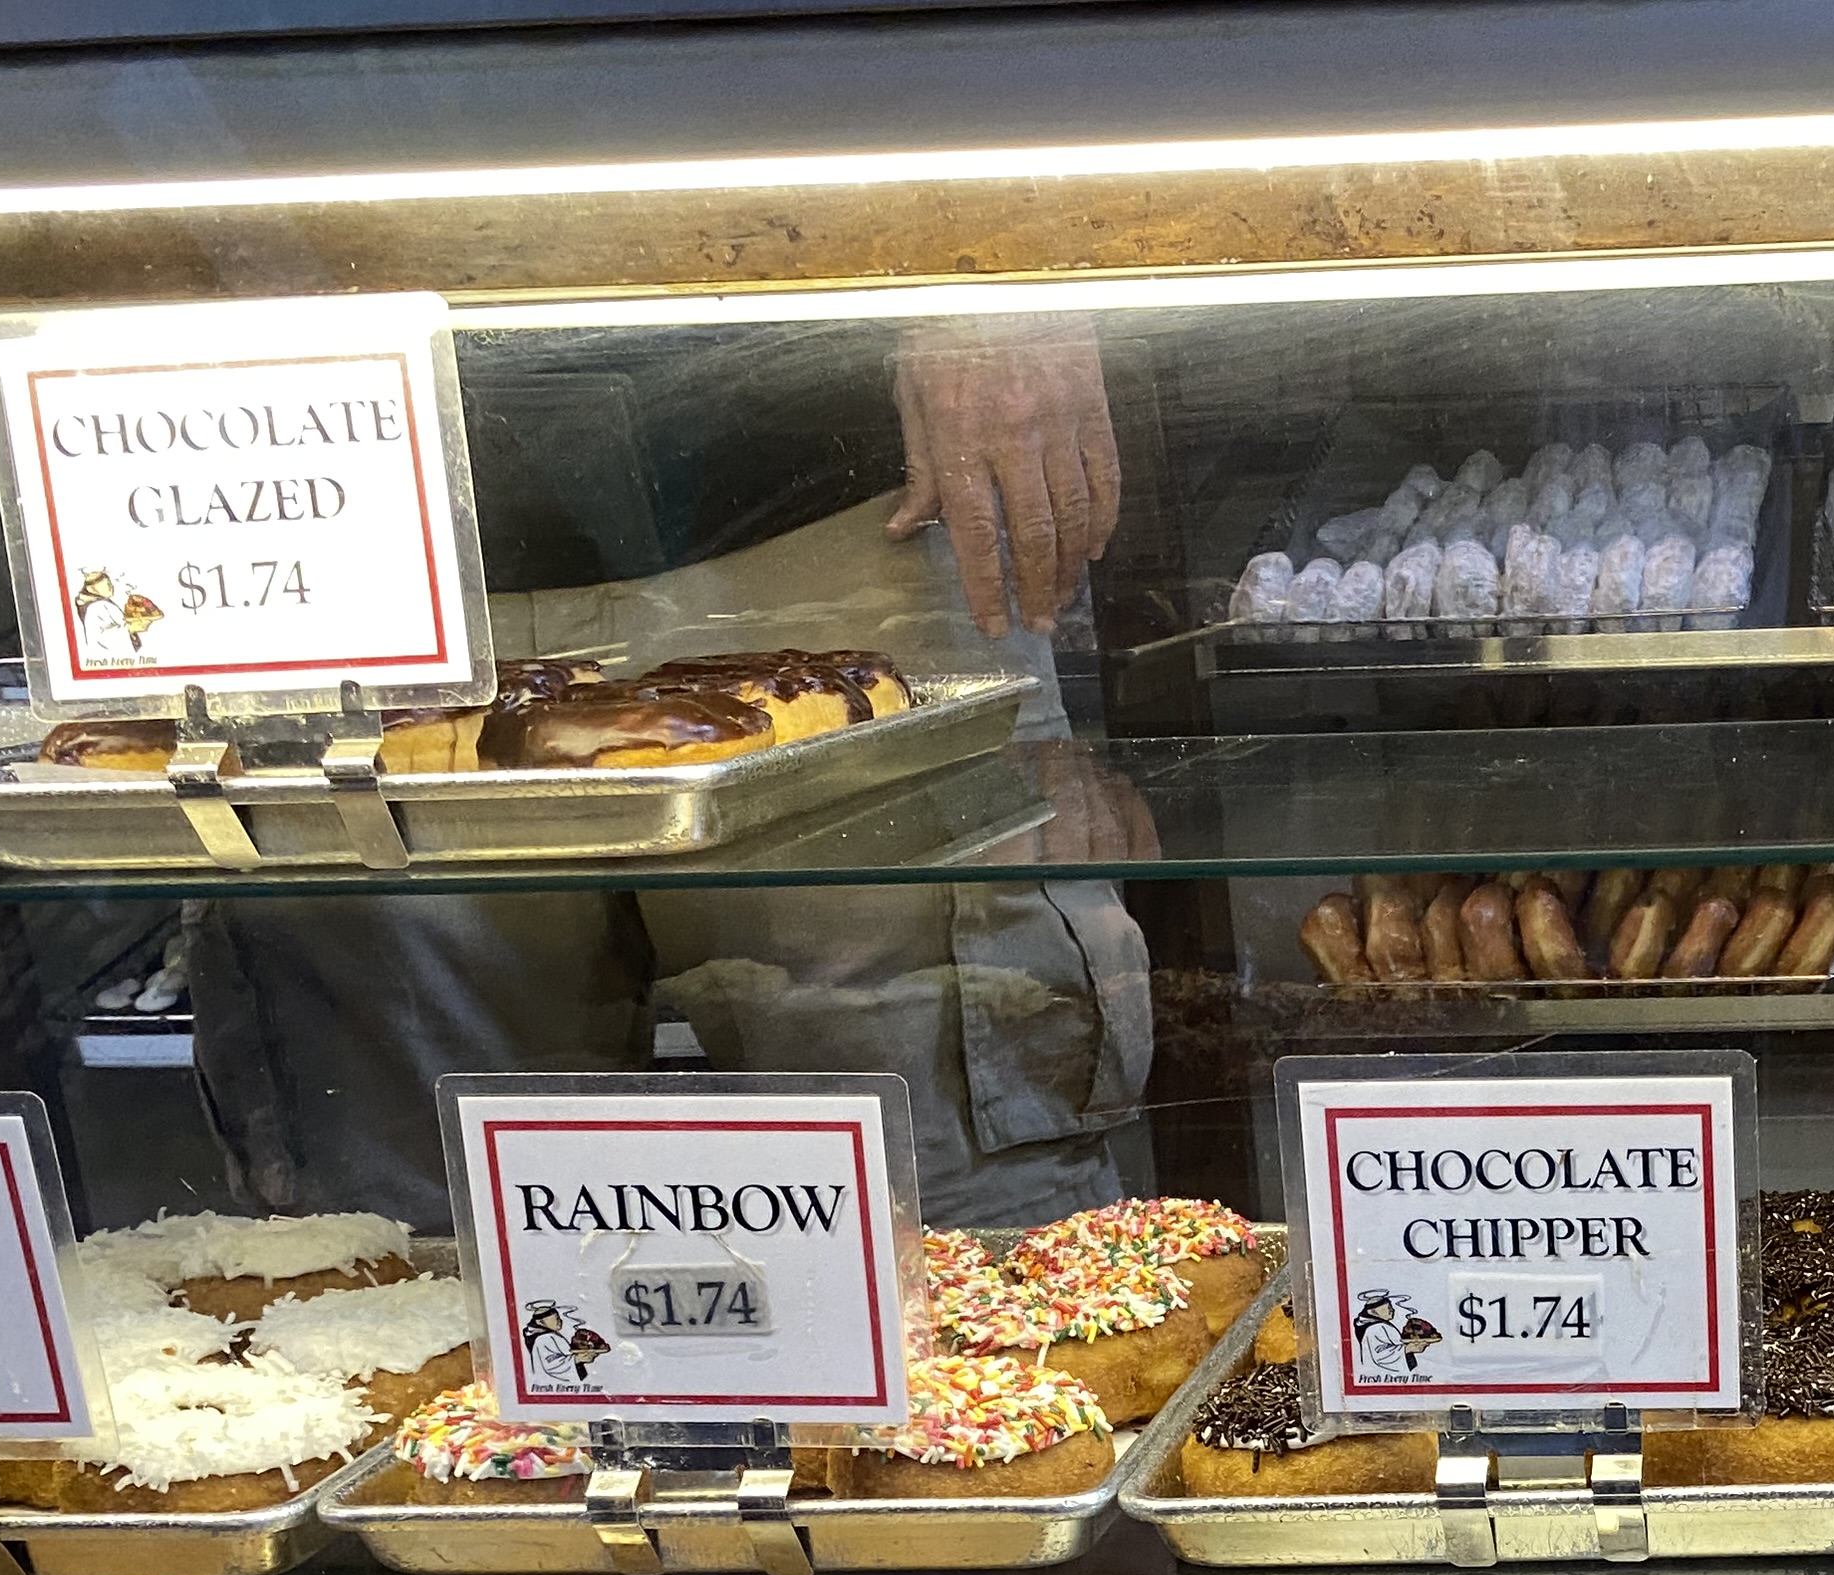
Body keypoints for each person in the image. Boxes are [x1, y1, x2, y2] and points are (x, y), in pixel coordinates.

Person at [182, 315, 1156, 1234]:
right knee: (413, 1241)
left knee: (952, 1205)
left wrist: (999, 284)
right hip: (327, 525)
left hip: (827, 492)